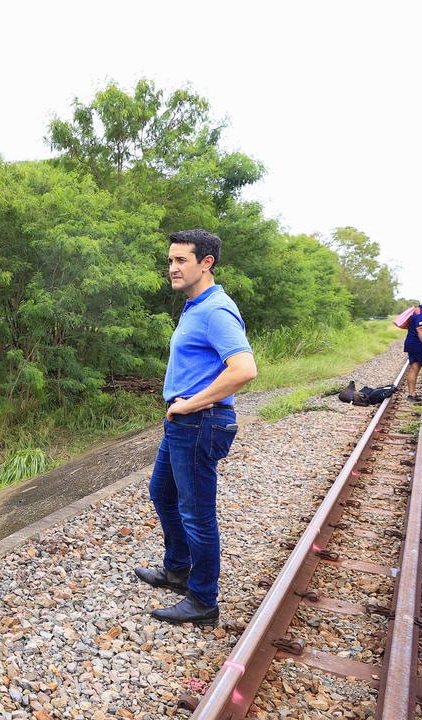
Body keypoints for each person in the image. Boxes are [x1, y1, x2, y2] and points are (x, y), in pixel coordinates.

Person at [134, 229, 257, 626]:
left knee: (196, 513)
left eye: (181, 260)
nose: (172, 268)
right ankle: (177, 570)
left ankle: (203, 601)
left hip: (200, 422)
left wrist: (192, 402)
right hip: (184, 422)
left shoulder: (216, 310)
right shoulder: (194, 306)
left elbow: (244, 369)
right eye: (170, 261)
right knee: (162, 493)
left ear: (206, 263)